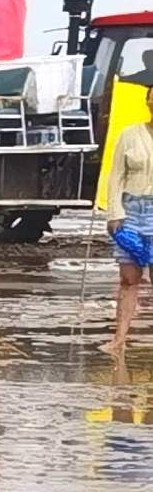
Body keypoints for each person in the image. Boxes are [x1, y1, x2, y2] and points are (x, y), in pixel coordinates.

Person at [105, 84, 153, 357]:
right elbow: (116, 176)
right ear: (147, 101)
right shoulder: (130, 134)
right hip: (131, 210)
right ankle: (118, 339)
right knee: (129, 278)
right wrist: (114, 213)